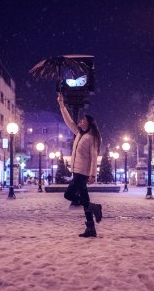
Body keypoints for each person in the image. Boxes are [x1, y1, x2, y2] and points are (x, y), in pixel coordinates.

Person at [57, 93, 102, 238]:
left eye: (82, 120)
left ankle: (93, 207)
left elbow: (94, 157)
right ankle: (91, 228)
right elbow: (69, 121)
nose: (80, 122)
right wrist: (62, 105)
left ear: (88, 123)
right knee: (85, 199)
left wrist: (93, 174)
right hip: (76, 171)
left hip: (82, 173)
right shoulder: (79, 134)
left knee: (68, 194)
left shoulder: (92, 138)